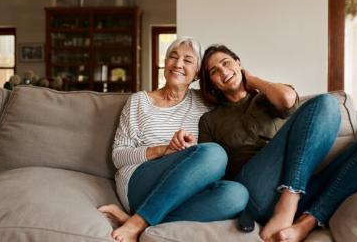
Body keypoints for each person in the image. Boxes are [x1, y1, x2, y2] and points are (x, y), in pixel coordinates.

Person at [193, 44, 357, 242]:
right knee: (326, 103)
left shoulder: (268, 96)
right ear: (212, 83)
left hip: (302, 181)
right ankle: (287, 205)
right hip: (257, 190)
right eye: (214, 71)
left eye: (226, 63)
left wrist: (254, 81)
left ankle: (305, 221)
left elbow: (287, 99)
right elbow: (212, 172)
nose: (223, 72)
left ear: (238, 64)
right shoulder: (210, 121)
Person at [98, 38, 249, 242]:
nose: (178, 64)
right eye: (173, 57)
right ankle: (138, 221)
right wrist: (164, 150)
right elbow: (118, 156)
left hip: (181, 190)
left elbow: (237, 90)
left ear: (197, 73)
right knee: (213, 153)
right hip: (139, 182)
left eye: (187, 60)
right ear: (165, 63)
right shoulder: (139, 102)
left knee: (236, 195)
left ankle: (139, 222)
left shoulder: (207, 103)